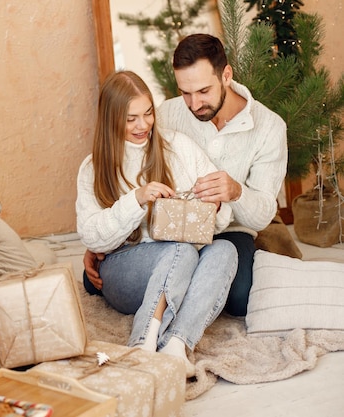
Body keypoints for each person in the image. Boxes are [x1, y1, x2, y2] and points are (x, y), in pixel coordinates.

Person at [84, 34, 287, 317]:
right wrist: (107, 239)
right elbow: (129, 171)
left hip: (228, 231)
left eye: (203, 91)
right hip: (164, 233)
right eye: (185, 92)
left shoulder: (269, 127)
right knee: (96, 278)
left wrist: (236, 192)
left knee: (240, 299)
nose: (193, 104)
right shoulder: (164, 113)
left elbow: (263, 215)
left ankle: (177, 293)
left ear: (226, 75)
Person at [76, 70, 238, 377]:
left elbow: (225, 216)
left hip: (183, 262)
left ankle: (177, 346)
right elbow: (92, 237)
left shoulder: (179, 147)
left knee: (225, 250)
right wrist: (136, 199)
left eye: (148, 113)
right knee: (180, 250)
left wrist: (213, 206)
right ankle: (143, 344)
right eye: (131, 118)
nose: (143, 125)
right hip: (124, 272)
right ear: (112, 118)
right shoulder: (93, 168)